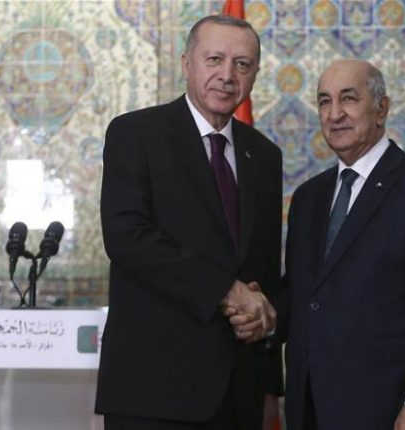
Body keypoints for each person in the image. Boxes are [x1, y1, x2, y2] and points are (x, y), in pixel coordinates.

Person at [95, 15, 283, 430]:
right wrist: (225, 290)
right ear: (187, 63)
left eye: (242, 64)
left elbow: (264, 273)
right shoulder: (135, 134)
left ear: (255, 74)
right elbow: (126, 238)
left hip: (240, 393)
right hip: (154, 390)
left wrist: (270, 385)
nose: (227, 75)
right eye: (214, 59)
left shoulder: (264, 155)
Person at [280, 59, 405, 430]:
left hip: (395, 409)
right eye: (324, 101)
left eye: (348, 98)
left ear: (381, 109)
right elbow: (304, 294)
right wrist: (255, 307)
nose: (335, 114)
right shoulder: (308, 198)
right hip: (313, 409)